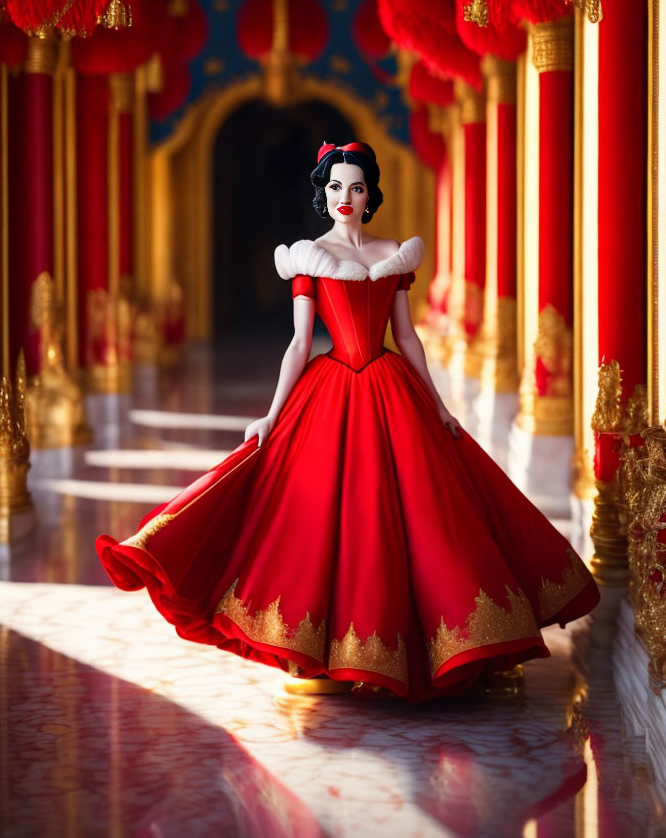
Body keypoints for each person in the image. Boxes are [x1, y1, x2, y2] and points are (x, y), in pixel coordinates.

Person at [96, 141, 599, 703]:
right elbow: (298, 343)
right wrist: (272, 412)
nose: (344, 197)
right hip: (331, 384)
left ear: (370, 195)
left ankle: (438, 644)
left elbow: (407, 337)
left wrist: (436, 404)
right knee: (326, 519)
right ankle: (333, 654)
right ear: (323, 193)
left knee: (427, 517)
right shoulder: (310, 256)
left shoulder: (394, 255)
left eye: (355, 187)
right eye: (335, 187)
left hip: (393, 386)